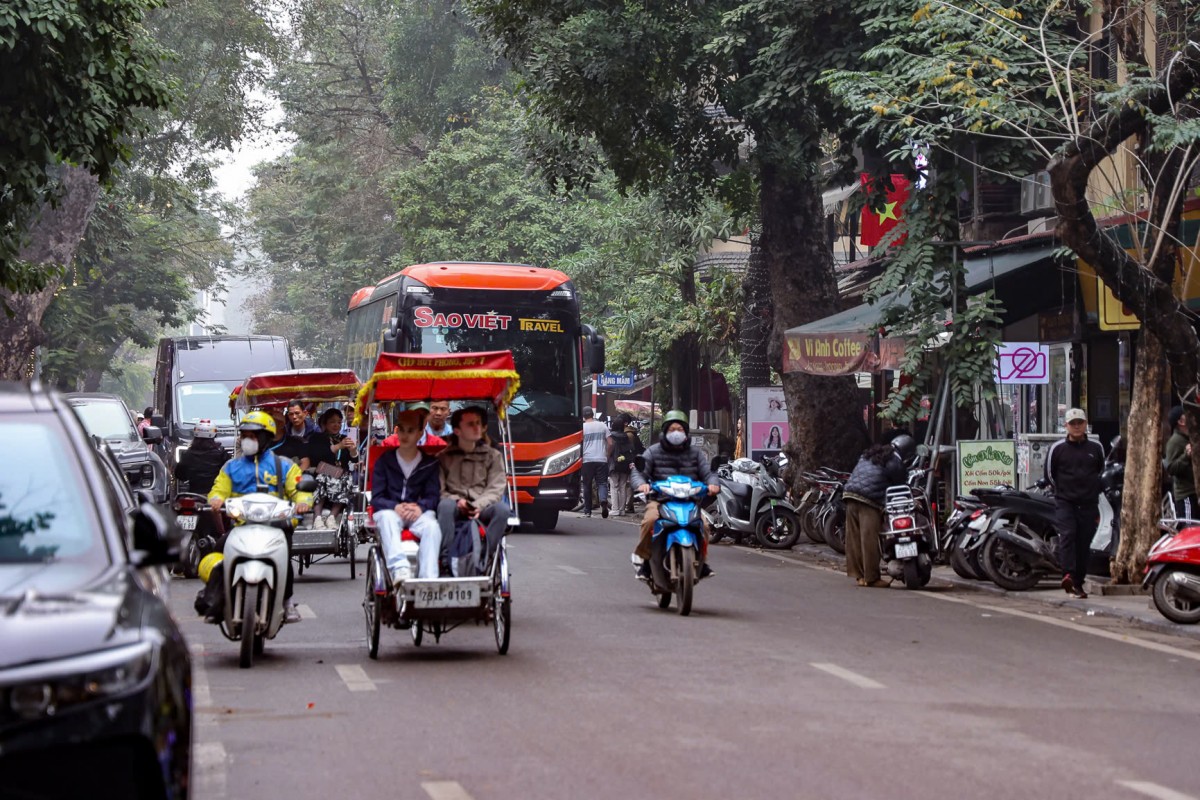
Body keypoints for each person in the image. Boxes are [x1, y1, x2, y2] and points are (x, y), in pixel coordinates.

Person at [208, 411, 312, 623]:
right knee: (219, 551)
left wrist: (302, 503)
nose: (248, 440)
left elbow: (300, 489)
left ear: (266, 437)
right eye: (244, 435)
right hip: (242, 525)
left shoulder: (284, 465)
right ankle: (215, 598)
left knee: (285, 558)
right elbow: (219, 489)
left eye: (253, 435)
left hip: (278, 525)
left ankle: (287, 601)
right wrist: (216, 500)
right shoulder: (231, 467)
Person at [630, 410, 718, 580]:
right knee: (649, 521)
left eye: (679, 429)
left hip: (690, 501)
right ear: (665, 431)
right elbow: (638, 472)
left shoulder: (696, 453)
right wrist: (641, 484)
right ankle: (645, 561)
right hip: (660, 501)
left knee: (705, 526)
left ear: (685, 432)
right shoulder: (653, 451)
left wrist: (713, 483)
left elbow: (708, 473)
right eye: (672, 429)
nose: (676, 433)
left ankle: (702, 561)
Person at [372, 404, 442, 585]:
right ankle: (399, 569)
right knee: (386, 518)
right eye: (401, 430)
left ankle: (428, 578)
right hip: (391, 511)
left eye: (410, 431)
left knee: (432, 527)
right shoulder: (384, 461)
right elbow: (377, 497)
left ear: (420, 433)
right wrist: (394, 506)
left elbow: (434, 495)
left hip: (418, 512)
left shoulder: (429, 463)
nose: (404, 435)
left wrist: (420, 507)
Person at [437, 405, 509, 574]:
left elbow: (496, 488)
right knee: (445, 506)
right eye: (470, 424)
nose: (477, 427)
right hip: (454, 506)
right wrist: (457, 501)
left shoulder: (493, 456)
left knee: (503, 510)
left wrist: (478, 505)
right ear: (457, 430)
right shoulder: (444, 456)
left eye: (478, 423)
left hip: (483, 507)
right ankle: (446, 560)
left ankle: (484, 556)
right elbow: (439, 489)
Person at [1045, 408, 1104, 599]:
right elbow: (1049, 475)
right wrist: (1062, 492)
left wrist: (1093, 490)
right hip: (1065, 501)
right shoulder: (1058, 449)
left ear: (1086, 424)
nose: (1077, 427)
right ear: (1066, 426)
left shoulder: (1096, 448)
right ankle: (1067, 573)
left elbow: (1101, 471)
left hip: (1088, 503)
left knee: (1084, 543)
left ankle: (1078, 583)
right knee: (1068, 535)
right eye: (1073, 423)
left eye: (1080, 423)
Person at [842, 442, 908, 587]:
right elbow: (900, 484)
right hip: (869, 500)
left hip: (850, 495)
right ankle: (872, 578)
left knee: (854, 538)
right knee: (870, 540)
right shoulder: (894, 460)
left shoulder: (867, 456)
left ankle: (859, 576)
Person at [307, 407, 359, 529]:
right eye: (332, 422)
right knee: (323, 477)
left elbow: (354, 460)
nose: (336, 425)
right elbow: (317, 456)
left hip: (341, 474)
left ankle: (332, 517)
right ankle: (318, 517)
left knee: (347, 478)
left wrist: (353, 451)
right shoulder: (317, 438)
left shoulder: (344, 438)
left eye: (339, 422)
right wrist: (338, 446)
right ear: (325, 423)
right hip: (322, 469)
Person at [580, 406, 611, 518]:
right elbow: (611, 443)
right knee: (602, 483)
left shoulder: (582, 428)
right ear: (593, 415)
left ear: (583, 416)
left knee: (587, 485)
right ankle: (603, 501)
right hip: (601, 459)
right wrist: (607, 455)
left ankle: (587, 511)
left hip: (587, 460)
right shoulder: (602, 425)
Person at [608, 415, 643, 517]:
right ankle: (622, 509)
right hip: (625, 464)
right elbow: (631, 449)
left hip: (614, 464)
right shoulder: (626, 436)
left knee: (614, 486)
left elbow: (608, 449)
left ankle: (615, 509)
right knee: (623, 486)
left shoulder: (611, 436)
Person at [1165, 406, 1196, 519]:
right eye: (1185, 415)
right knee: (1189, 528)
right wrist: (1186, 456)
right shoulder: (1174, 442)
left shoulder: (1191, 437)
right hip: (1185, 495)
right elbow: (1171, 468)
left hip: (1195, 492)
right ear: (1181, 421)